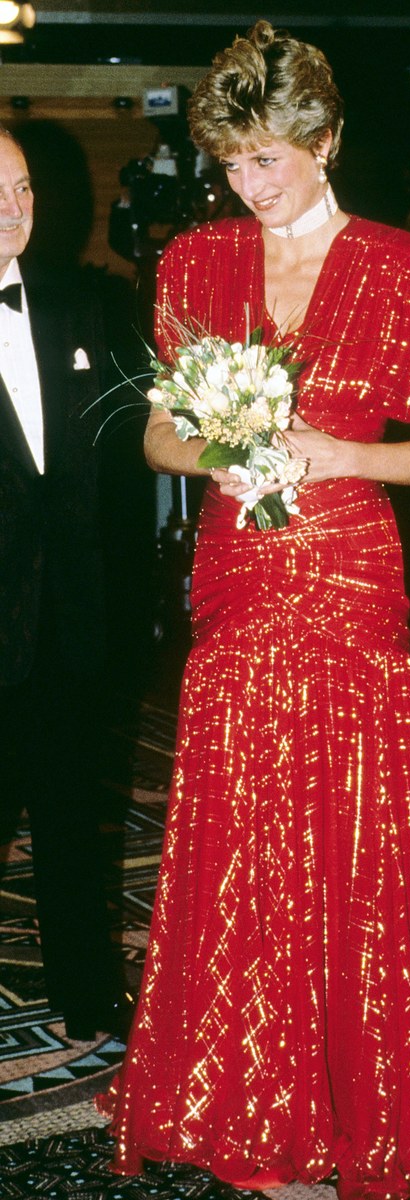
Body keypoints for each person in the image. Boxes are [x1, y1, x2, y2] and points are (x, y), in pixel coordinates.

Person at [98, 23, 410, 1198]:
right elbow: (154, 432)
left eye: (270, 164)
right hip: (239, 571)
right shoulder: (194, 263)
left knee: (356, 828)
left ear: (326, 140)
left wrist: (338, 451)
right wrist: (216, 452)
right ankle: (246, 1094)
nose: (250, 188)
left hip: (349, 578)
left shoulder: (403, 269)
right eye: (234, 165)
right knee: (244, 833)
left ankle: (371, 1092)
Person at [0, 126, 124, 1041]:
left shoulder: (85, 306)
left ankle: (87, 992)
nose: (14, 209)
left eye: (25, 189)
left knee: (78, 818)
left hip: (72, 619)